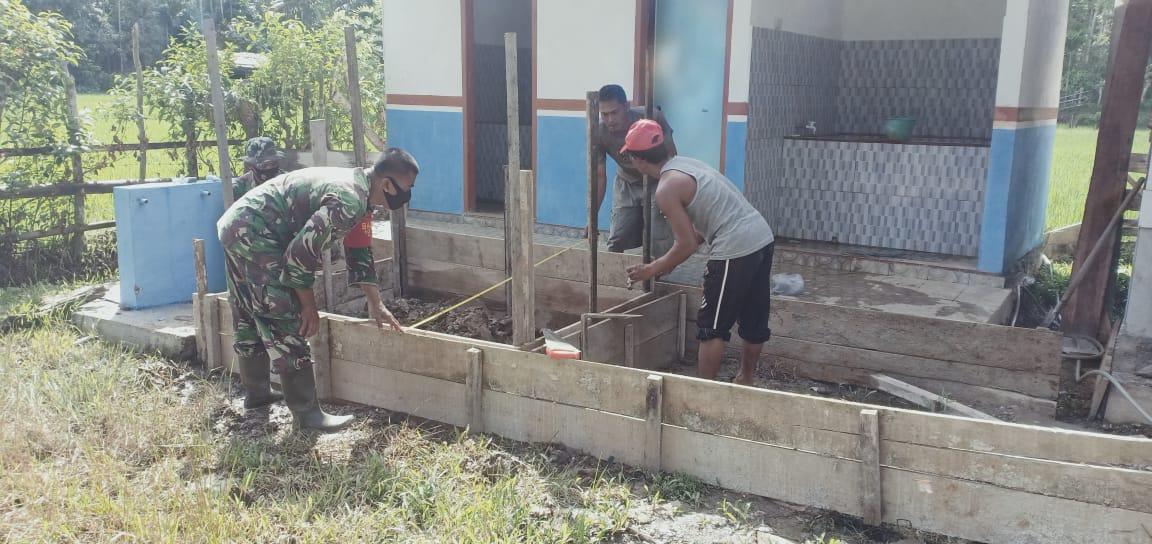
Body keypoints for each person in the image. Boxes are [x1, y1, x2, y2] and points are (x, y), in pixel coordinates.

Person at [216, 148, 417, 432]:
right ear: (387, 184)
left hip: (239, 226)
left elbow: (359, 251)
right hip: (255, 233)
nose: (408, 196)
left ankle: (257, 394)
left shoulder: (361, 196)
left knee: (249, 307)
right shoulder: (348, 201)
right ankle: (308, 415)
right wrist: (308, 306)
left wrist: (376, 303)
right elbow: (299, 257)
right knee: (284, 312)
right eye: (408, 188)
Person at [621, 120, 775, 385]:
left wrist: (652, 269)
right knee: (754, 318)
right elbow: (704, 226)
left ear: (637, 160)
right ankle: (745, 380)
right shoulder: (687, 164)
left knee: (711, 327)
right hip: (762, 236)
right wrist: (668, 262)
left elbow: (687, 244)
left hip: (734, 247)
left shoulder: (667, 187)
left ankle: (703, 394)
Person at [592, 84, 676, 253]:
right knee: (617, 238)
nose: (609, 120)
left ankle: (656, 276)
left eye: (614, 112)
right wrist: (592, 216)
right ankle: (613, 277)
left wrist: (672, 192)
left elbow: (671, 157)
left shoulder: (652, 117)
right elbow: (600, 176)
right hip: (626, 183)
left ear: (626, 106)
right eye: (604, 114)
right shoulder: (598, 131)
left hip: (656, 181)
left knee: (657, 236)